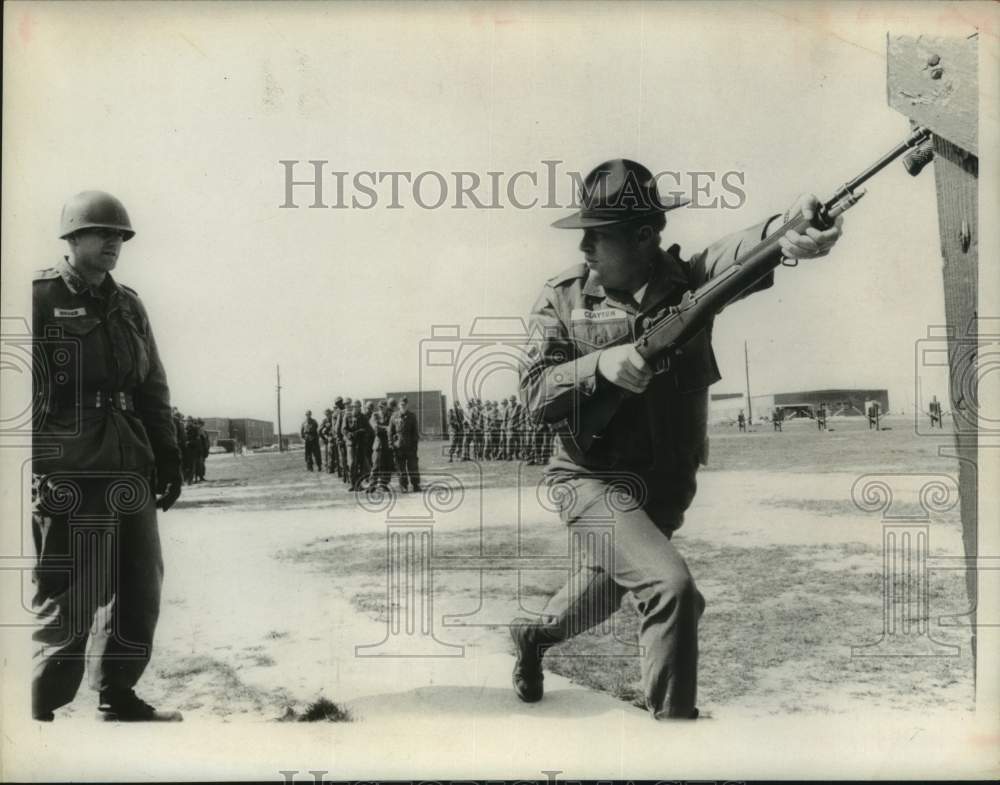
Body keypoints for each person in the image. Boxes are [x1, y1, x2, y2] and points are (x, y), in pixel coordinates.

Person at [510, 159, 843, 719]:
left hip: (663, 487)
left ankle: (533, 638)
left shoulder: (690, 283)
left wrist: (791, 229)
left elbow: (744, 250)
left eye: (598, 234)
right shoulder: (562, 299)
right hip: (588, 478)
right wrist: (602, 364)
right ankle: (674, 746)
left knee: (604, 589)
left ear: (644, 236)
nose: (584, 247)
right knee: (672, 590)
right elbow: (534, 397)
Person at [31, 190, 184, 722]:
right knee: (70, 588)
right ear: (72, 238)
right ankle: (34, 706)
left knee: (139, 584)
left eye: (120, 236)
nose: (114, 243)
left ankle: (117, 692)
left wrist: (167, 457)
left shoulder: (129, 303)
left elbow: (153, 386)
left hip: (129, 460)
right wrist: (35, 467)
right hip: (70, 464)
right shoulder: (39, 298)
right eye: (102, 233)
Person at [390, 396, 421, 492]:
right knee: (400, 468)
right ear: (399, 405)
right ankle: (403, 486)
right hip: (398, 446)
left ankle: (416, 485)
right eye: (401, 405)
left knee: (413, 466)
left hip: (410, 446)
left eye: (405, 405)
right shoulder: (394, 416)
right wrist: (391, 444)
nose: (403, 406)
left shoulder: (412, 416)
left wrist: (415, 446)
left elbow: (415, 432)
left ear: (407, 405)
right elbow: (390, 432)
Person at [344, 400, 373, 491]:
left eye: (357, 407)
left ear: (360, 408)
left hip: (361, 444)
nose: (355, 408)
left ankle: (362, 483)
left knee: (363, 464)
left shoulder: (363, 417)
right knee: (352, 463)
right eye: (354, 407)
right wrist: (349, 435)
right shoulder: (347, 416)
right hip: (351, 444)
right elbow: (343, 429)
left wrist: (364, 435)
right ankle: (354, 484)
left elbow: (369, 430)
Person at [332, 397, 348, 482]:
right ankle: (344, 475)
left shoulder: (347, 410)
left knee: (347, 457)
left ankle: (347, 475)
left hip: (347, 437)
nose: (339, 404)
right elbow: (335, 427)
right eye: (337, 403)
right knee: (342, 458)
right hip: (340, 437)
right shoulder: (335, 414)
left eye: (340, 402)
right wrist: (337, 438)